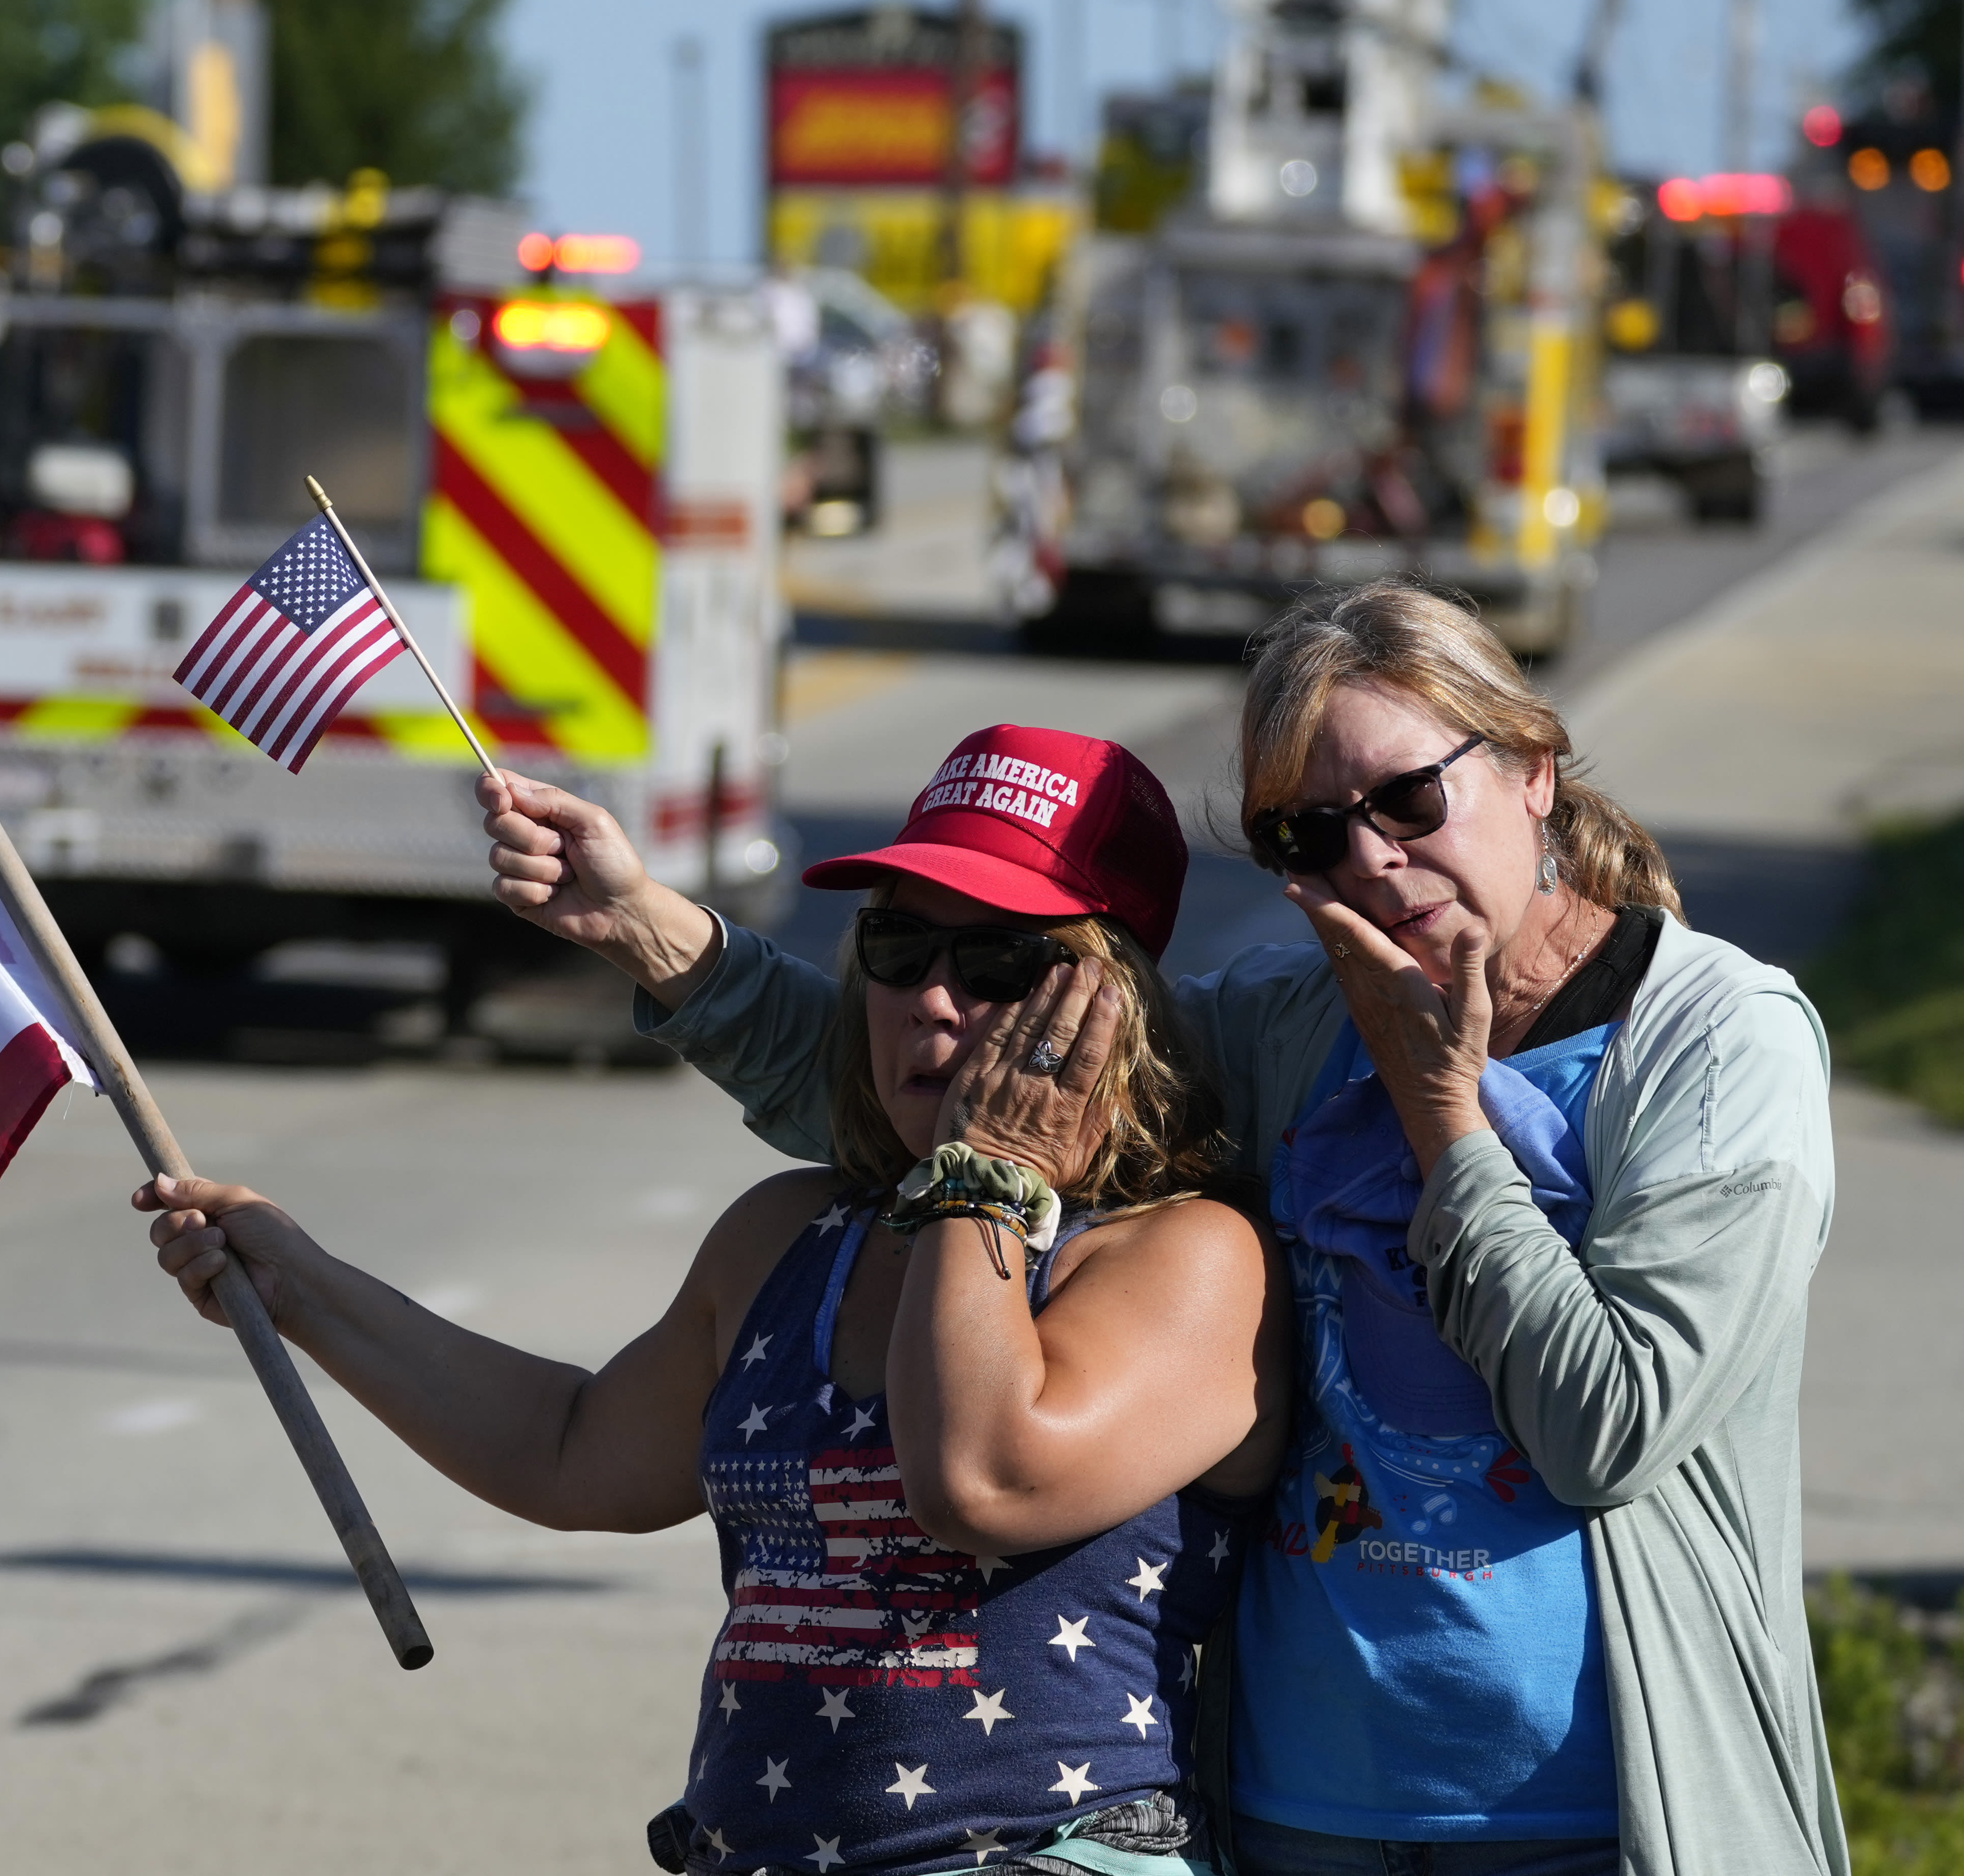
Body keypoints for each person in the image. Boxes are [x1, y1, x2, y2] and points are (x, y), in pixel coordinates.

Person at [476, 582, 1845, 1876]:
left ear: (1532, 767)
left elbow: (1605, 1424)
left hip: (1592, 1804)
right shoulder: (1296, 1021)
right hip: (1296, 1802)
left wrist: (1444, 1121)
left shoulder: (1712, 1042)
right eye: (1309, 835)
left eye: (1410, 797)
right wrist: (652, 931)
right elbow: (956, 1067)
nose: (1372, 857)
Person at [147, 728, 1289, 1876]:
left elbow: (981, 1479)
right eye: (897, 944)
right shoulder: (786, 1233)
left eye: (997, 963)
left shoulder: (1186, 1255)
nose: (933, 1000)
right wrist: (297, 1283)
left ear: (1115, 1003)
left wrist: (984, 1173)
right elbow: (569, 1451)